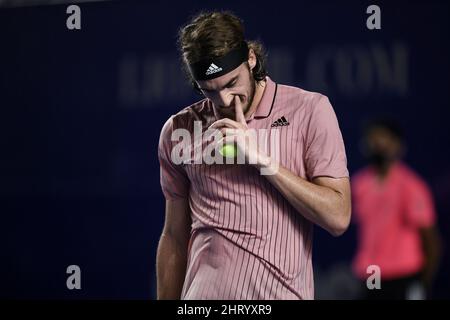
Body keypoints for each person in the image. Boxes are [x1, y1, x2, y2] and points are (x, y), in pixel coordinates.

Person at [156, 11, 351, 300]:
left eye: (231, 83)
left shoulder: (311, 110)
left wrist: (261, 159)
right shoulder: (179, 129)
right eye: (210, 91)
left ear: (250, 59)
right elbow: (173, 235)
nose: (223, 101)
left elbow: (338, 217)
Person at [351, 118, 441, 299]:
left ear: (397, 145)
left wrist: (420, 285)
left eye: (383, 139)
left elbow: (431, 241)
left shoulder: (411, 186)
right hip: (373, 272)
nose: (377, 144)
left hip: (404, 275)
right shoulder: (359, 184)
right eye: (372, 139)